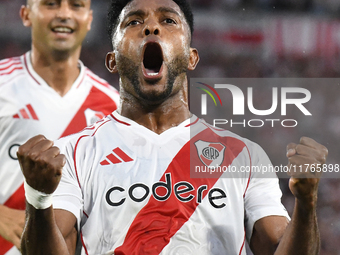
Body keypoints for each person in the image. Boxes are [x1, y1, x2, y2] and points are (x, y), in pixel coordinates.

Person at [17, 0, 328, 254]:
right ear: (112, 61)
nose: (151, 26)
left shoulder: (244, 156)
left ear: (191, 57)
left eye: (168, 21)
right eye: (133, 22)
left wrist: (306, 202)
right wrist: (39, 198)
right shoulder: (75, 153)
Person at [0, 0, 120, 254]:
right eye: (51, 4)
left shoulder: (113, 106)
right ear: (26, 15)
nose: (64, 14)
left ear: (89, 19)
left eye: (76, 6)